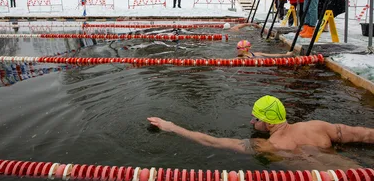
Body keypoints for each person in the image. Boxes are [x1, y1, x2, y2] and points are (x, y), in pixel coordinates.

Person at [148, 95, 374, 155]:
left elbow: (212, 141)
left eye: (255, 118)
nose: (251, 121)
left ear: (266, 122)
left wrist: (172, 127)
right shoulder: (318, 126)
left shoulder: (269, 146)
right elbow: (364, 135)